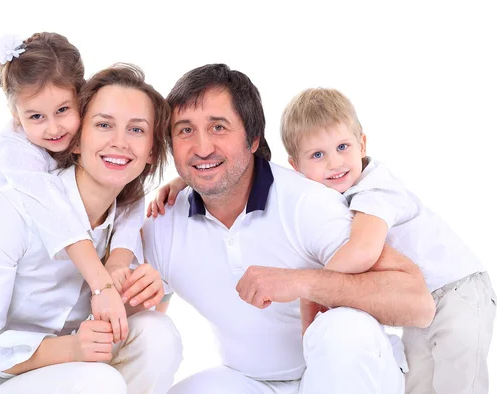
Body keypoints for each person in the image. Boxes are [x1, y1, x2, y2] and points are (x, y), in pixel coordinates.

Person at [142, 63, 434, 393]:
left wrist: (300, 282)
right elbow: (148, 307)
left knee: (344, 328)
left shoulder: (307, 203)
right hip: (250, 381)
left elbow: (419, 303)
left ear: (253, 139)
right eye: (185, 130)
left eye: (219, 127)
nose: (202, 147)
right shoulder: (162, 221)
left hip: (345, 373)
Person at [0, 64, 182, 394]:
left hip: (69, 378)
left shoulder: (126, 221)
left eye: (137, 130)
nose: (119, 142)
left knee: (158, 334)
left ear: (151, 153)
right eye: (103, 125)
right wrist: (71, 350)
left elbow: (102, 319)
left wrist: (139, 298)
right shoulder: (12, 210)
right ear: (77, 139)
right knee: (99, 380)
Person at [278, 88, 496, 394]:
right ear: (295, 166)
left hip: (457, 292)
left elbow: (363, 252)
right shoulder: (329, 204)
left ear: (362, 144)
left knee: (459, 381)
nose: (334, 162)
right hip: (421, 305)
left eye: (343, 146)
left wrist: (311, 287)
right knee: (417, 383)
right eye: (318, 154)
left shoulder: (376, 188)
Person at [0, 32, 144, 342]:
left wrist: (118, 262)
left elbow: (132, 199)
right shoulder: (18, 152)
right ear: (17, 116)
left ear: (81, 100)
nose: (53, 128)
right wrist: (101, 283)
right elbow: (54, 212)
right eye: (36, 116)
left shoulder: (91, 141)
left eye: (63, 111)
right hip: (10, 251)